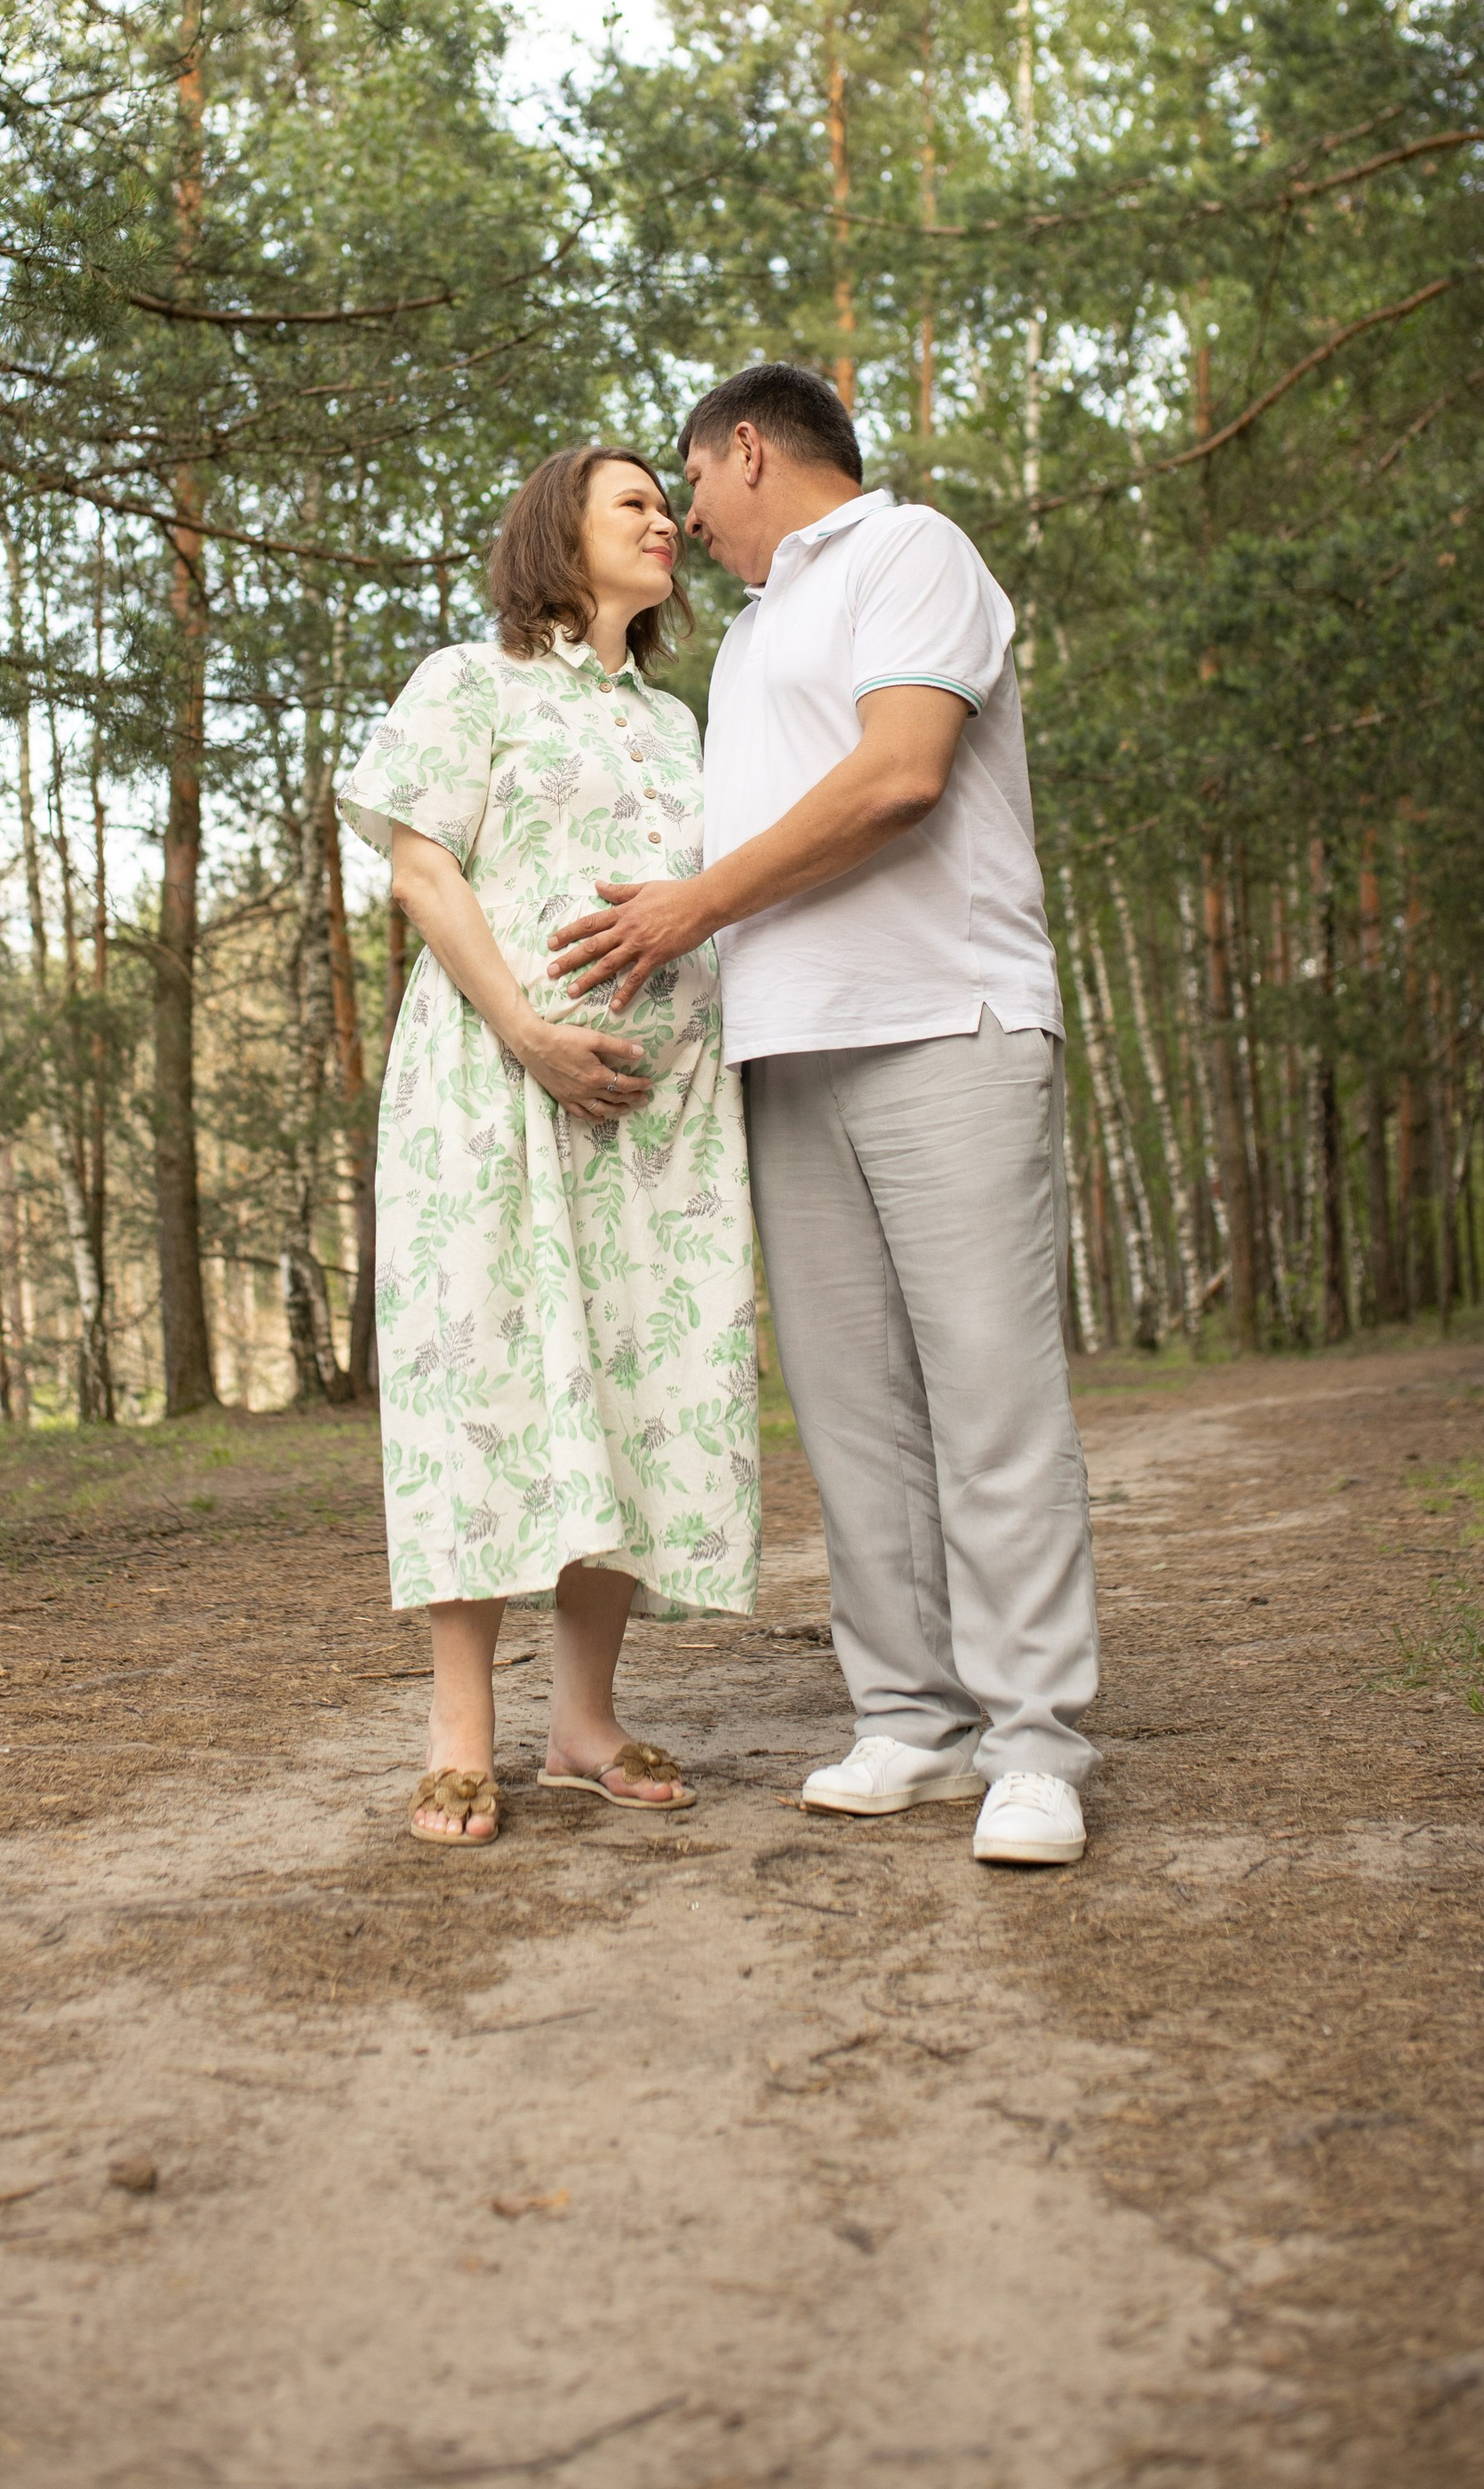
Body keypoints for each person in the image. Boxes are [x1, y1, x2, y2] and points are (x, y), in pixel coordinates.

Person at [549, 363, 1098, 1869]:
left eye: (692, 484)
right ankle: (909, 1718)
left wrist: (691, 910)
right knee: (854, 1415)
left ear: (748, 451)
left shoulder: (912, 552)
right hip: (785, 1054)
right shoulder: (754, 632)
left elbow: (902, 777)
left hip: (946, 1026)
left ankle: (1036, 1742)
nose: (687, 519)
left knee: (990, 1396)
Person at [339, 448, 761, 1847]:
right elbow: (419, 865)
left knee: (639, 1394)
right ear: (557, 531)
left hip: (659, 1128)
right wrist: (525, 1030)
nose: (665, 522)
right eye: (634, 501)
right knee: (487, 1385)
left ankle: (583, 1720)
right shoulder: (473, 682)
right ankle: (462, 1732)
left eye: (666, 504)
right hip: (493, 1092)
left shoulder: (679, 723)